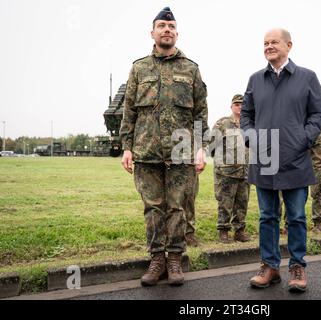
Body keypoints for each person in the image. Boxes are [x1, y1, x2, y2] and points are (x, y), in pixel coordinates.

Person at [119, 7, 209, 287]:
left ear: (177, 33)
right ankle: (157, 259)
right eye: (161, 26)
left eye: (171, 26)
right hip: (146, 153)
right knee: (153, 208)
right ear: (153, 32)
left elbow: (201, 114)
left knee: (177, 208)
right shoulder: (139, 68)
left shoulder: (191, 69)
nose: (166, 30)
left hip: (181, 154)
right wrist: (127, 146)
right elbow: (129, 110)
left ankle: (175, 259)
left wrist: (200, 148)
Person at [241, 28, 321, 292]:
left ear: (289, 45)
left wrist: (303, 139)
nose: (268, 46)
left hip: (296, 159)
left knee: (297, 217)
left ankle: (297, 267)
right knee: (267, 217)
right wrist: (251, 138)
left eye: (274, 42)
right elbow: (246, 115)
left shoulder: (307, 77)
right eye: (265, 43)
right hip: (264, 159)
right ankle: (270, 266)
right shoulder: (255, 79)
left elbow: (317, 115)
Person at [210, 94, 251, 243]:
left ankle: (240, 231)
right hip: (226, 172)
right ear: (231, 106)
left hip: (245, 172)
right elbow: (212, 146)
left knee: (242, 203)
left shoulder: (249, 125)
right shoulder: (223, 123)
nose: (240, 107)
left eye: (242, 104)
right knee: (225, 203)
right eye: (237, 104)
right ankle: (224, 231)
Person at [185, 174, 199, 247]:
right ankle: (167, 236)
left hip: (188, 165)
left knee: (189, 198)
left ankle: (189, 234)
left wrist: (200, 161)